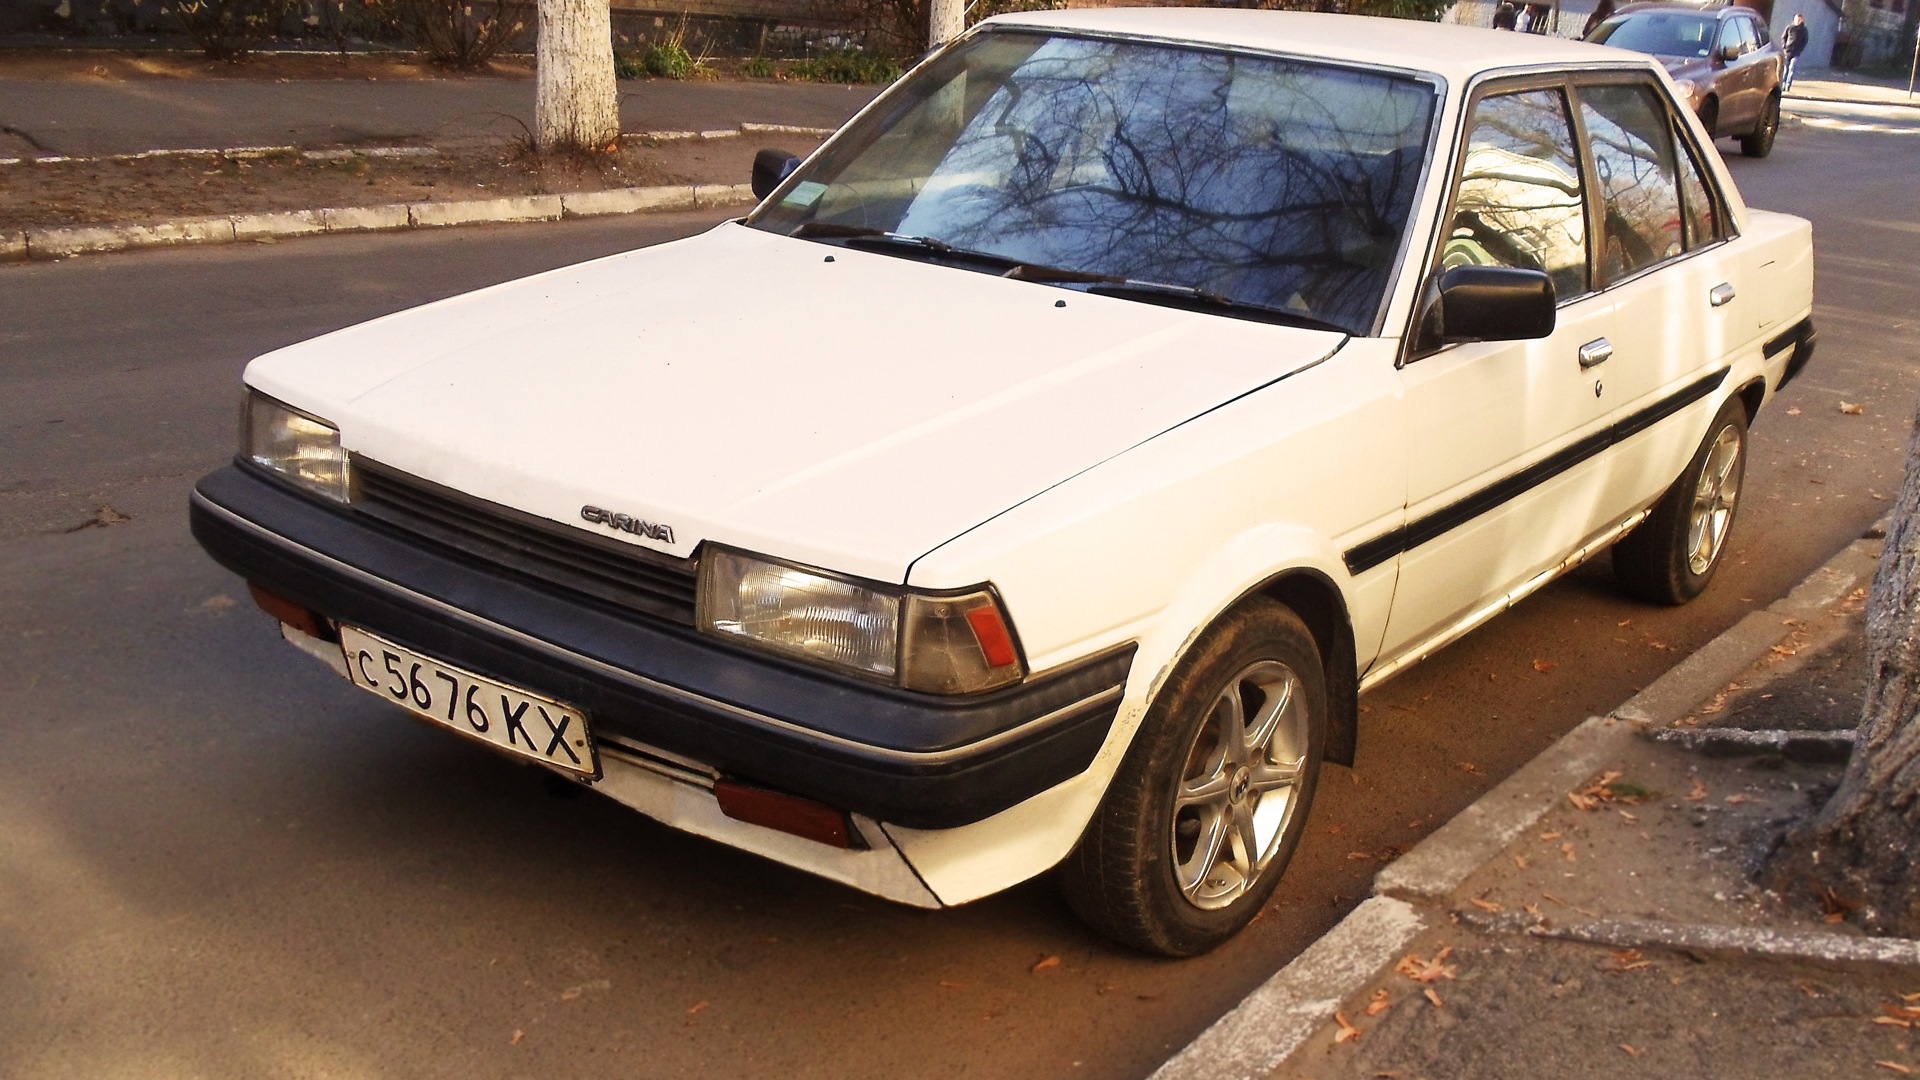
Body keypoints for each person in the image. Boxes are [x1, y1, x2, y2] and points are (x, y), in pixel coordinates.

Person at [1782, 13, 1809, 92]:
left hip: (1796, 52)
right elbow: (1784, 37)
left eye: (1799, 19)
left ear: (1802, 20)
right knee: (1785, 69)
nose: (1798, 21)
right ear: (1794, 19)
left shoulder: (1804, 30)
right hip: (1787, 51)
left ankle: (1788, 85)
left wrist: (1800, 49)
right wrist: (1784, 46)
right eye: (1796, 19)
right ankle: (1782, 85)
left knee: (1792, 68)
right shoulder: (1789, 27)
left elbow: (1805, 41)